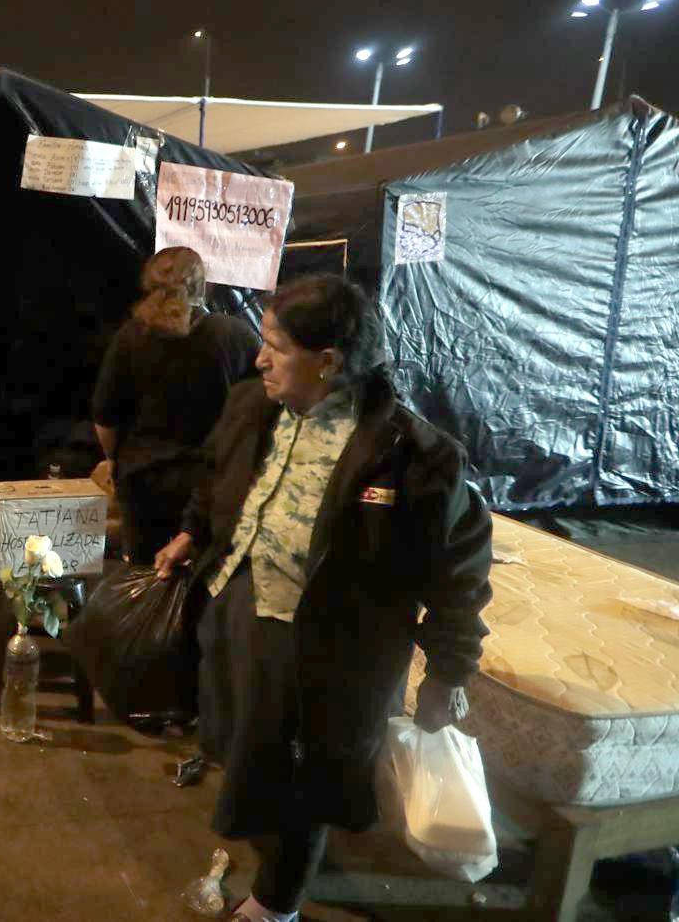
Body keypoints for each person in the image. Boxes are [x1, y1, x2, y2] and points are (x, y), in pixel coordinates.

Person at [154, 273, 493, 922]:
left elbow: (459, 574)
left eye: (276, 346)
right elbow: (217, 477)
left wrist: (450, 669)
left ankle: (276, 903)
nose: (260, 359)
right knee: (252, 753)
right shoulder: (254, 405)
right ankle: (272, 856)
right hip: (244, 611)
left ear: (328, 361)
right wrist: (191, 533)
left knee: (306, 779)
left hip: (330, 650)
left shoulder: (413, 457)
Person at [92, 247, 260, 564]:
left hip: (143, 480)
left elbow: (105, 419)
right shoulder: (236, 335)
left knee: (143, 578)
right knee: (206, 575)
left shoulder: (130, 337)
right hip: (212, 482)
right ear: (203, 285)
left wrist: (114, 459)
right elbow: (261, 406)